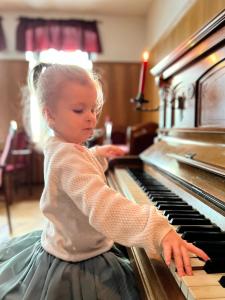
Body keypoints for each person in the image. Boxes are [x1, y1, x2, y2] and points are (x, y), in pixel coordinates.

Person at [0, 64, 209, 300]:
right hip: (78, 262)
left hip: (67, 241)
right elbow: (103, 207)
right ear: (49, 114)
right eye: (79, 110)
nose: (90, 117)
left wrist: (96, 154)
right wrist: (157, 229)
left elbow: (75, 167)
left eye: (93, 109)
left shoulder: (58, 146)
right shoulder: (68, 158)